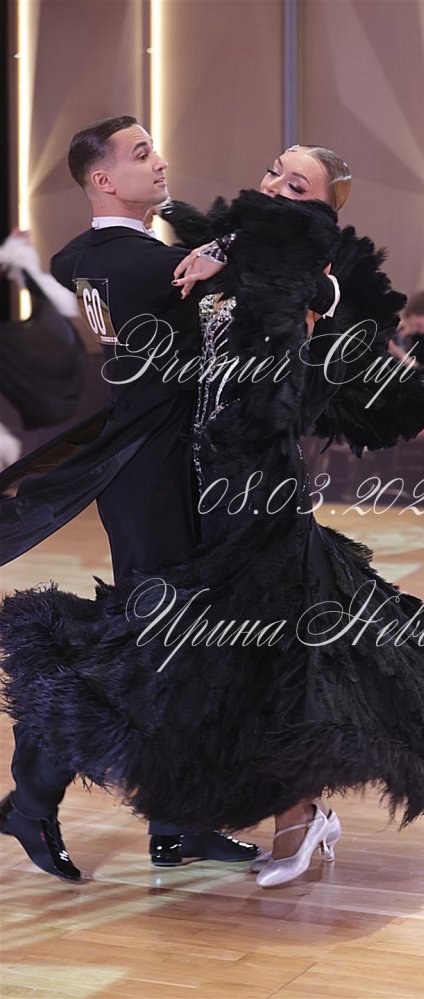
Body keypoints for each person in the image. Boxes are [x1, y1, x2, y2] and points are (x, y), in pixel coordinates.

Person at [1, 145, 424, 890]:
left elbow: (298, 292)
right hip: (187, 480)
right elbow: (104, 262)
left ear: (318, 209)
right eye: (273, 172)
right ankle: (166, 816)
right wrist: (222, 253)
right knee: (192, 656)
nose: (274, 186)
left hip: (251, 493)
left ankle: (205, 817)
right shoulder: (192, 252)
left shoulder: (290, 265)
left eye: (296, 183)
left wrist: (254, 268)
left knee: (234, 657)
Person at [0, 116, 259, 879]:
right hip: (154, 476)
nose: (161, 161)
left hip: (165, 467)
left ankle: (179, 821)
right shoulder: (138, 264)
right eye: (142, 153)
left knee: (181, 651)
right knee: (142, 649)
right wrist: (226, 249)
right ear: (103, 179)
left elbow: (79, 261)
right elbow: (268, 258)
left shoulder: (90, 256)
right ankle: (32, 797)